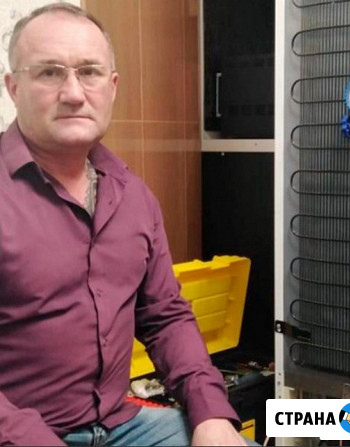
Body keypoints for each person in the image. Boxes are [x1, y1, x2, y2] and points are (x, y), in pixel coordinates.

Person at [0, 3, 250, 446]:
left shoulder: (133, 196)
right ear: (13, 87)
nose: (73, 93)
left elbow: (165, 317)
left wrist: (210, 412)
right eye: (50, 73)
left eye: (89, 72)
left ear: (111, 87)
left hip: (122, 427)